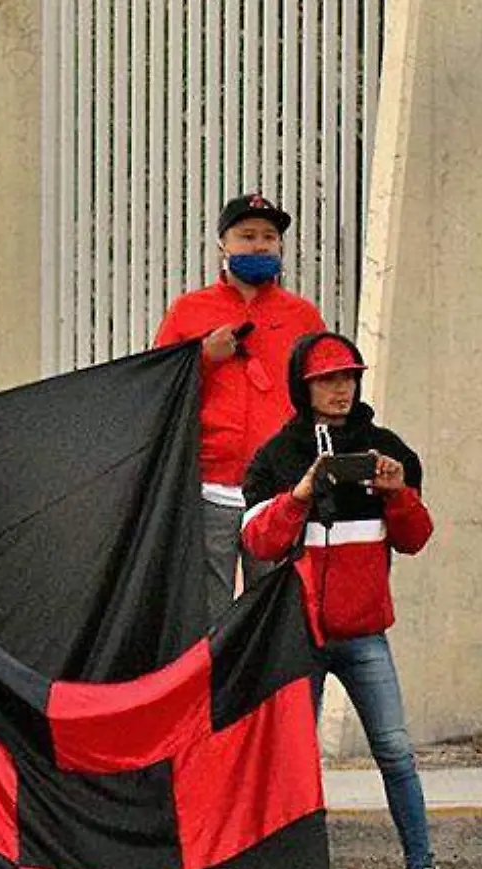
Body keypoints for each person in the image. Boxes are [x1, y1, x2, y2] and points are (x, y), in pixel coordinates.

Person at [241, 332, 471, 869]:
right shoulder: (275, 456)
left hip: (364, 633)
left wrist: (397, 495)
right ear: (304, 386)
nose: (341, 389)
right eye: (327, 379)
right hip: (299, 635)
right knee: (294, 764)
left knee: (395, 752)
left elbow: (415, 539)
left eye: (348, 377)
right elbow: (257, 540)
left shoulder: (387, 449)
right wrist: (300, 493)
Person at [154, 193, 326, 618]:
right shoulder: (189, 311)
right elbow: (160, 389)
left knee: (273, 609)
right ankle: (215, 686)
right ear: (222, 246)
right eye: (246, 236)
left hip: (277, 490)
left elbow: (323, 391)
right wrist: (203, 358)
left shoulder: (303, 316)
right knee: (207, 613)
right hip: (208, 484)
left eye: (270, 237)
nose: (259, 245)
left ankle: (266, 688)